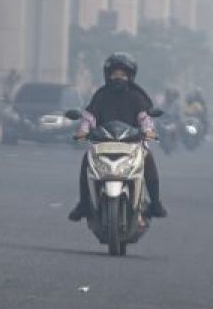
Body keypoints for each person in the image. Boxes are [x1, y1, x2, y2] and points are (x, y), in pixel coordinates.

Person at [68, 52, 166, 221]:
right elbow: (89, 116)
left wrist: (148, 131)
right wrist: (83, 131)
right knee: (87, 159)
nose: (119, 77)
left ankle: (155, 203)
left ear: (130, 76)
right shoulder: (101, 95)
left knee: (148, 157)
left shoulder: (137, 96)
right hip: (103, 143)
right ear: (108, 75)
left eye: (123, 74)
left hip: (133, 143)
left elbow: (144, 117)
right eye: (115, 73)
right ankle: (84, 204)